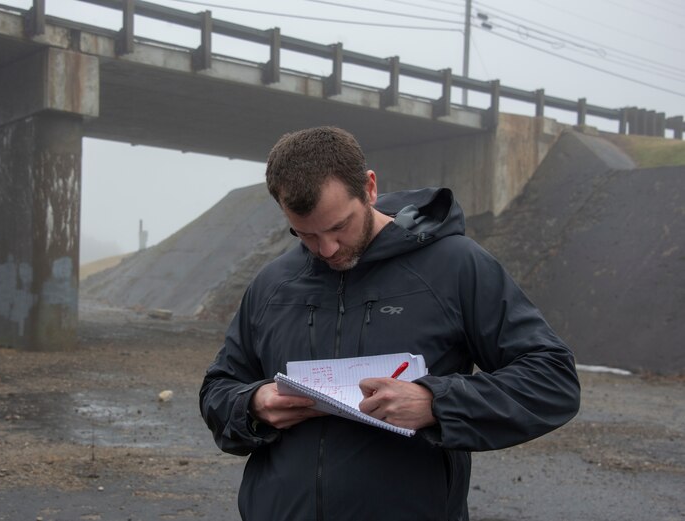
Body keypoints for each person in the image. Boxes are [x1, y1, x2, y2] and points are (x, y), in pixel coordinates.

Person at [199, 126, 580, 521]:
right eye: (305, 234)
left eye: (338, 227)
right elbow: (218, 388)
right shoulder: (272, 285)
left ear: (370, 188)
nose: (326, 249)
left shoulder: (455, 267)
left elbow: (552, 380)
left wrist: (437, 403)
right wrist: (253, 405)